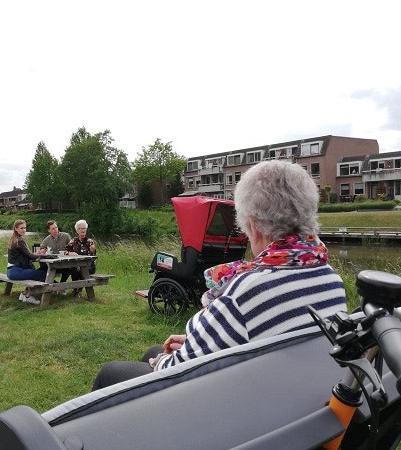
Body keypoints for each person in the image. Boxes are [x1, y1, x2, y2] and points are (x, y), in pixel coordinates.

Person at [92, 160, 347, 390]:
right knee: (153, 349)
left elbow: (175, 370)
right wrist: (199, 341)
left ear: (254, 228)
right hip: (284, 387)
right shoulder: (330, 279)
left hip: (229, 399)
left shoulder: (248, 289)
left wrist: (162, 360)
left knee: (110, 372)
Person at [7, 219, 46, 305]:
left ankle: (24, 294)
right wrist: (44, 255)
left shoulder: (15, 239)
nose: (24, 230)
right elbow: (30, 256)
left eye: (25, 228)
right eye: (21, 228)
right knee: (43, 274)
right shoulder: (20, 240)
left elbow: (27, 254)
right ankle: (28, 295)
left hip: (11, 270)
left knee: (36, 272)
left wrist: (36, 253)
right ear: (16, 229)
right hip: (16, 271)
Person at [65, 219, 96, 297]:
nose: (83, 230)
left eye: (84, 228)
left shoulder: (90, 241)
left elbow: (93, 257)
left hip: (88, 265)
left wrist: (93, 251)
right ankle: (76, 289)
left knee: (82, 269)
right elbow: (65, 251)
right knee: (73, 269)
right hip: (76, 265)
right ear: (77, 230)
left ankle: (79, 290)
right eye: (81, 228)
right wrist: (70, 253)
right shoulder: (73, 241)